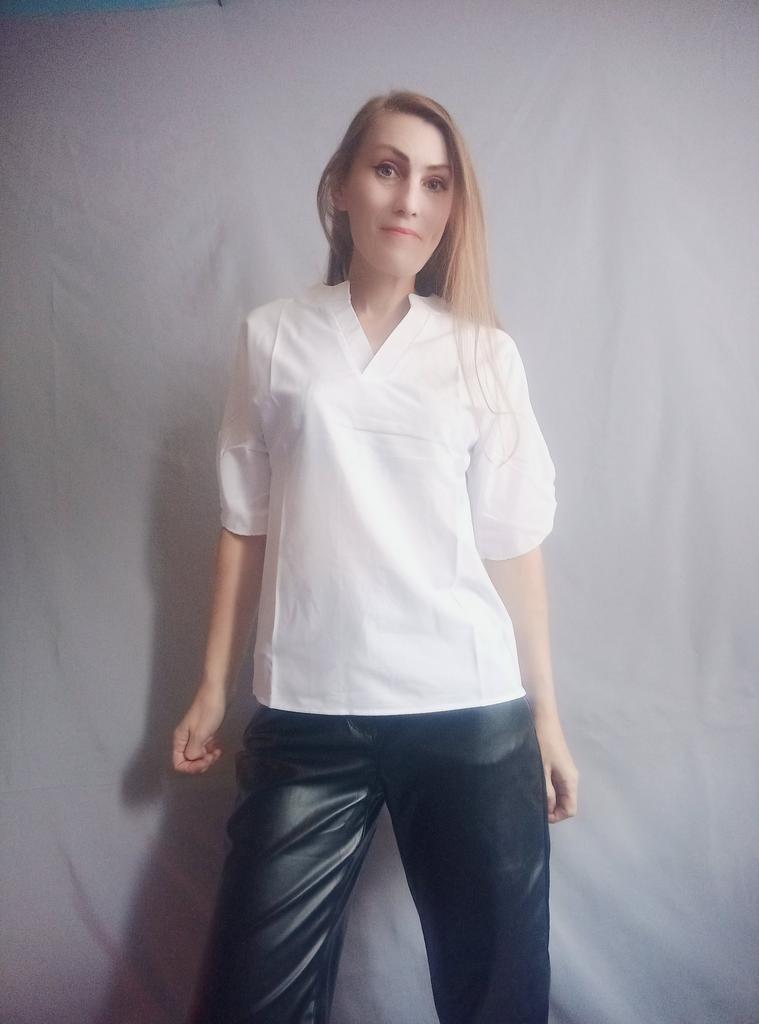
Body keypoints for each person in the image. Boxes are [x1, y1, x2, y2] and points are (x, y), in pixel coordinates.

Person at [173, 89, 579, 1024]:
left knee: (497, 1001)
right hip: (308, 712)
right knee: (245, 1000)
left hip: (468, 711)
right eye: (387, 169)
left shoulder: (482, 354)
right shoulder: (272, 336)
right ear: (340, 187)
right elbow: (245, 520)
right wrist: (210, 687)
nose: (409, 199)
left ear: (452, 208)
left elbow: (514, 544)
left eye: (435, 182)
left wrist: (547, 719)